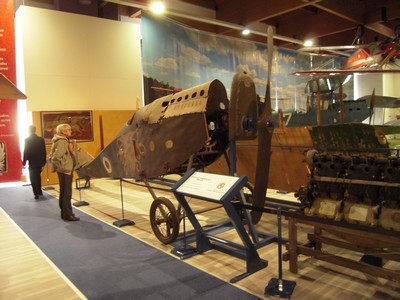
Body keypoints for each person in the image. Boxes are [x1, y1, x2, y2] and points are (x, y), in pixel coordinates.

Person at [50, 123, 80, 221]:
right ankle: (68, 214)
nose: (71, 131)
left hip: (62, 169)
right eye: (69, 130)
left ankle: (64, 213)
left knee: (63, 192)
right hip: (65, 169)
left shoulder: (59, 140)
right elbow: (57, 156)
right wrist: (56, 166)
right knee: (67, 193)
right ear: (63, 132)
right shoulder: (62, 141)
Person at [23, 125, 47, 199]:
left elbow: (26, 151)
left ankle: (36, 193)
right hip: (39, 161)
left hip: (32, 161)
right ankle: (39, 191)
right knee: (38, 176)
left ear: (29, 131)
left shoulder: (27, 140)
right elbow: (44, 151)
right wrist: (44, 161)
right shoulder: (41, 139)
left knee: (33, 177)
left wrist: (24, 162)